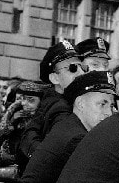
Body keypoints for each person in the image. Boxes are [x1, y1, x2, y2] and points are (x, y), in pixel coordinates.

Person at [14, 41, 84, 170]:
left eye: (83, 67)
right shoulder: (63, 109)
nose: (81, 73)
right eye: (73, 68)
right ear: (54, 78)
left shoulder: (49, 101)